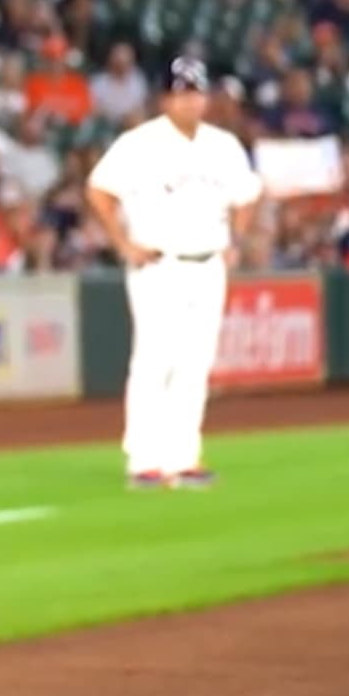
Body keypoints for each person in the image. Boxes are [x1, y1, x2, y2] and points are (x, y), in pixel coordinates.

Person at [83, 54, 267, 489]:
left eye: (196, 93)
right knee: (154, 360)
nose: (190, 102)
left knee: (195, 362)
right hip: (158, 264)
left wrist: (235, 241)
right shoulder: (139, 143)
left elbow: (247, 195)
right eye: (182, 93)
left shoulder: (223, 146)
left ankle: (183, 456)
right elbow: (98, 190)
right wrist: (124, 243)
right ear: (165, 98)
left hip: (208, 264)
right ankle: (144, 460)